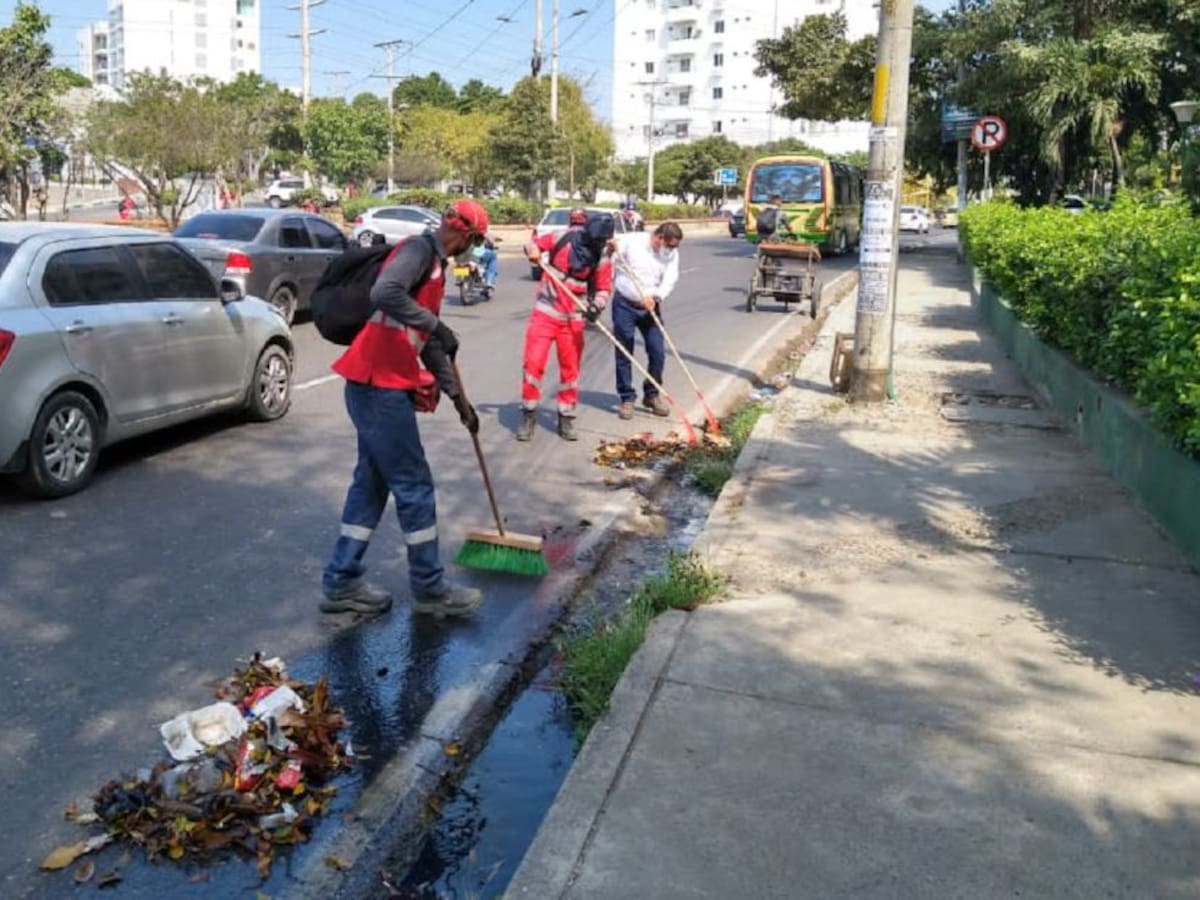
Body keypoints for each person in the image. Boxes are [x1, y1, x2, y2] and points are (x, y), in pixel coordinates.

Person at [321, 199, 490, 618]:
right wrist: (436, 324)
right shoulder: (418, 251)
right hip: (377, 386)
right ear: (464, 234)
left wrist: (459, 400)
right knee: (415, 487)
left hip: (377, 385)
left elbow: (431, 346)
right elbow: (384, 292)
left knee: (371, 486)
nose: (472, 249)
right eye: (475, 241)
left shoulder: (435, 269)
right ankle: (430, 589)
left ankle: (341, 581)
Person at [516, 211, 614, 442]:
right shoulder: (561, 237)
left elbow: (603, 288)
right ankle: (528, 413)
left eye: (603, 241)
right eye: (597, 240)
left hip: (574, 317)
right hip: (546, 312)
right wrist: (533, 252)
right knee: (533, 365)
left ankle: (566, 416)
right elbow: (532, 244)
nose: (599, 244)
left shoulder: (602, 256)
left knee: (570, 371)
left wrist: (596, 306)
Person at [609, 222, 683, 419]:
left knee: (658, 352)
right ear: (659, 237)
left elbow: (671, 278)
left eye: (674, 247)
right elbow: (610, 254)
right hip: (625, 304)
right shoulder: (631, 241)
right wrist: (611, 248)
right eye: (669, 245)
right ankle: (627, 397)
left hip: (650, 306)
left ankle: (651, 394)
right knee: (624, 351)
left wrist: (657, 296)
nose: (671, 250)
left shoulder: (671, 254)